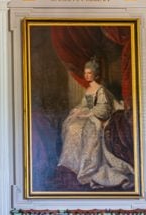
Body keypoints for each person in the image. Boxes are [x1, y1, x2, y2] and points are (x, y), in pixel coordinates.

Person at [56, 59, 134, 190]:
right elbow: (87, 105)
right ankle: (71, 163)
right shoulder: (89, 89)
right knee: (71, 125)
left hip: (99, 119)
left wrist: (86, 114)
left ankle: (87, 167)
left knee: (80, 128)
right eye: (85, 73)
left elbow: (103, 110)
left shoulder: (100, 90)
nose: (87, 76)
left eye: (89, 73)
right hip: (89, 115)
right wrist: (79, 111)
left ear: (95, 75)